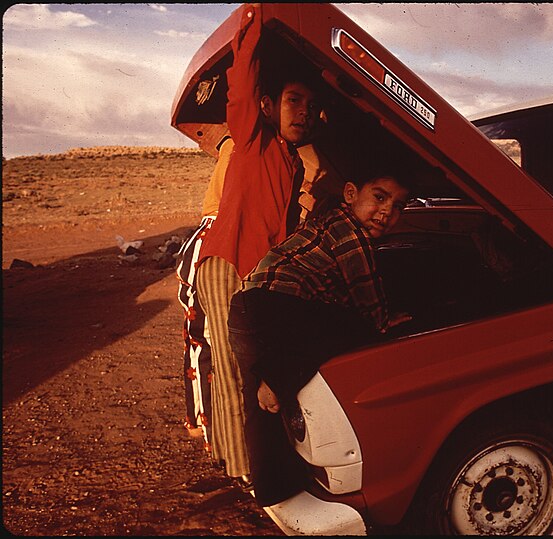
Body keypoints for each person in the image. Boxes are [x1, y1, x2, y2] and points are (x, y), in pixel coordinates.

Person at [193, 3, 326, 485]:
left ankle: (253, 465)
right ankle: (244, 474)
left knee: (255, 376)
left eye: (310, 107)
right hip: (229, 264)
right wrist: (254, 19)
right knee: (236, 377)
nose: (303, 113)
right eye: (294, 101)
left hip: (254, 275)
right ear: (269, 106)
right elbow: (243, 83)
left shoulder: (292, 164)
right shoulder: (253, 139)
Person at [227, 170, 413, 509]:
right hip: (279, 306)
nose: (387, 212)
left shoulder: (328, 220)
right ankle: (277, 375)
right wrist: (385, 320)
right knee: (353, 327)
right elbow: (365, 296)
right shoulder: (351, 233)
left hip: (247, 307)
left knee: (264, 414)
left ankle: (273, 489)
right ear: (351, 193)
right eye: (380, 197)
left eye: (399, 205)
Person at [176, 135, 234, 450]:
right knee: (203, 341)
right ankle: (202, 423)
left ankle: (200, 421)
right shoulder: (239, 144)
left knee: (200, 339)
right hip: (212, 240)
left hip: (210, 239)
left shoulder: (235, 144)